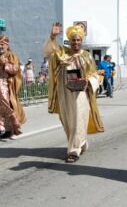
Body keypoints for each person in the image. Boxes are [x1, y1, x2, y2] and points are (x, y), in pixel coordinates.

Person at [44, 22, 104, 163]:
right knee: (68, 121)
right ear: (69, 41)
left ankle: (74, 150)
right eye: (73, 40)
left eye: (78, 40)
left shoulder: (87, 56)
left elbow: (95, 74)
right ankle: (81, 142)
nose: (76, 43)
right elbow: (48, 52)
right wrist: (53, 36)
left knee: (78, 119)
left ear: (81, 41)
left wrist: (87, 82)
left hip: (80, 93)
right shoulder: (62, 53)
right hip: (64, 92)